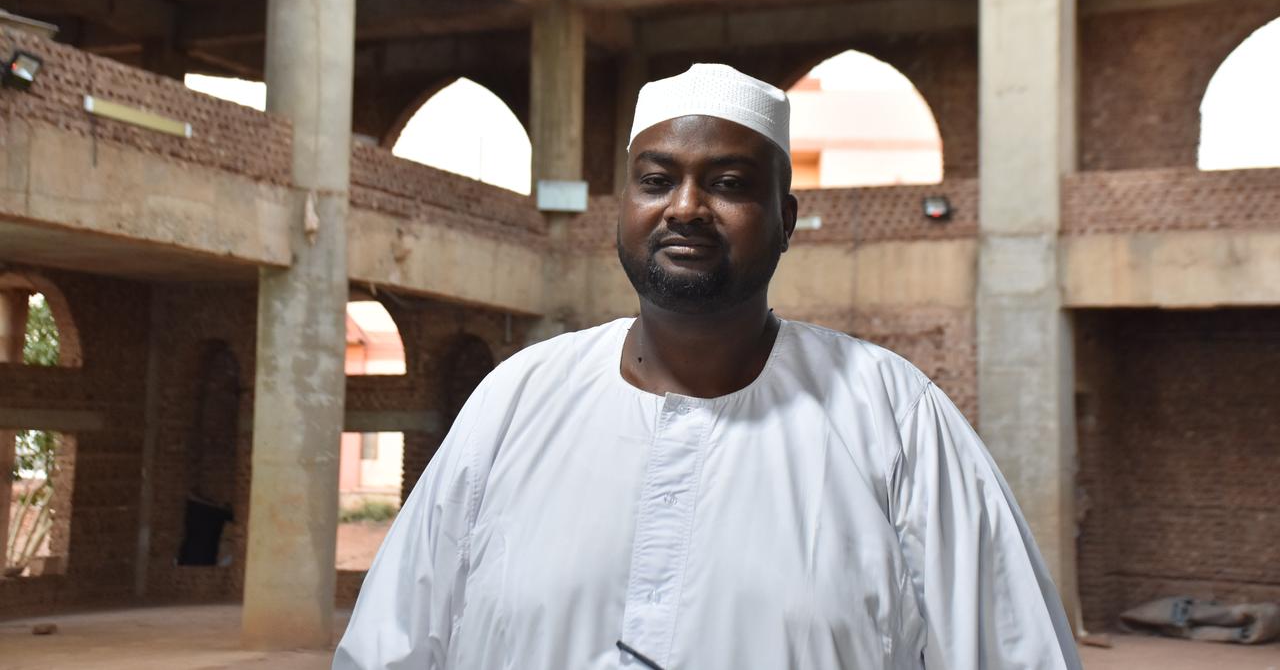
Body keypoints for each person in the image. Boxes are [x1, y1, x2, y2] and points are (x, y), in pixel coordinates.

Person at [333, 64, 1082, 670]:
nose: (685, 207)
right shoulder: (516, 401)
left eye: (728, 184)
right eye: (656, 180)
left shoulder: (895, 420)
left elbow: (1016, 649)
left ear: (786, 221)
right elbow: (388, 648)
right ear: (622, 210)